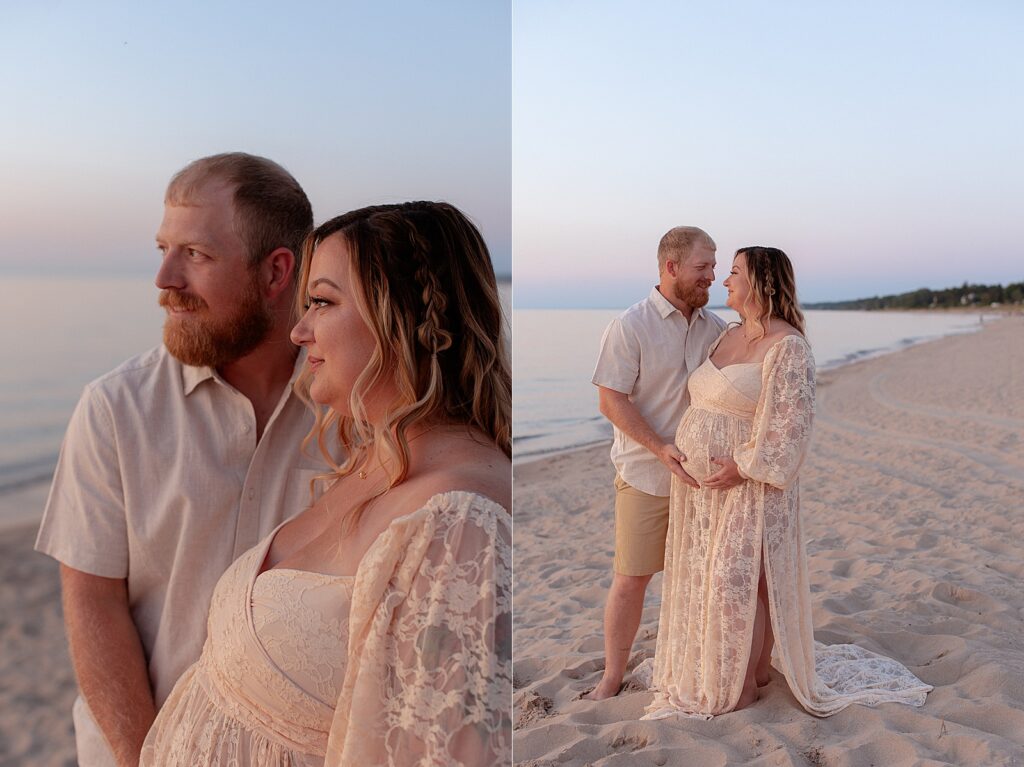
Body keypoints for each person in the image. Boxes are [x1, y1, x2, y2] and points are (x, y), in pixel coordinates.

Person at [140, 201, 513, 766]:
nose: (298, 330)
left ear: (409, 317)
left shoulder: (458, 518)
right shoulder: (374, 460)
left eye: (322, 302)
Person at [34, 152, 317, 767]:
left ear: (276, 272)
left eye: (196, 254)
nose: (164, 278)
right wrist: (147, 758)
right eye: (163, 248)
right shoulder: (115, 410)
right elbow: (93, 604)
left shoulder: (353, 409)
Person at [644, 246, 931, 719]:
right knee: (731, 580)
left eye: (734, 272)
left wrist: (741, 466)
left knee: (734, 580)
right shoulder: (728, 335)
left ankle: (738, 685)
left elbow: (791, 428)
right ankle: (751, 673)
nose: (723, 281)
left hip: (751, 483)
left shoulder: (788, 346)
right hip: (701, 488)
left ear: (761, 281)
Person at [587, 226, 727, 699]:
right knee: (632, 578)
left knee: (706, 577)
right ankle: (611, 677)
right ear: (670, 267)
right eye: (702, 267)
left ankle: (699, 660)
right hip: (645, 475)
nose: (712, 276)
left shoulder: (717, 329)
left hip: (704, 478)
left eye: (714, 267)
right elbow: (611, 400)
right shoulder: (631, 325)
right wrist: (659, 447)